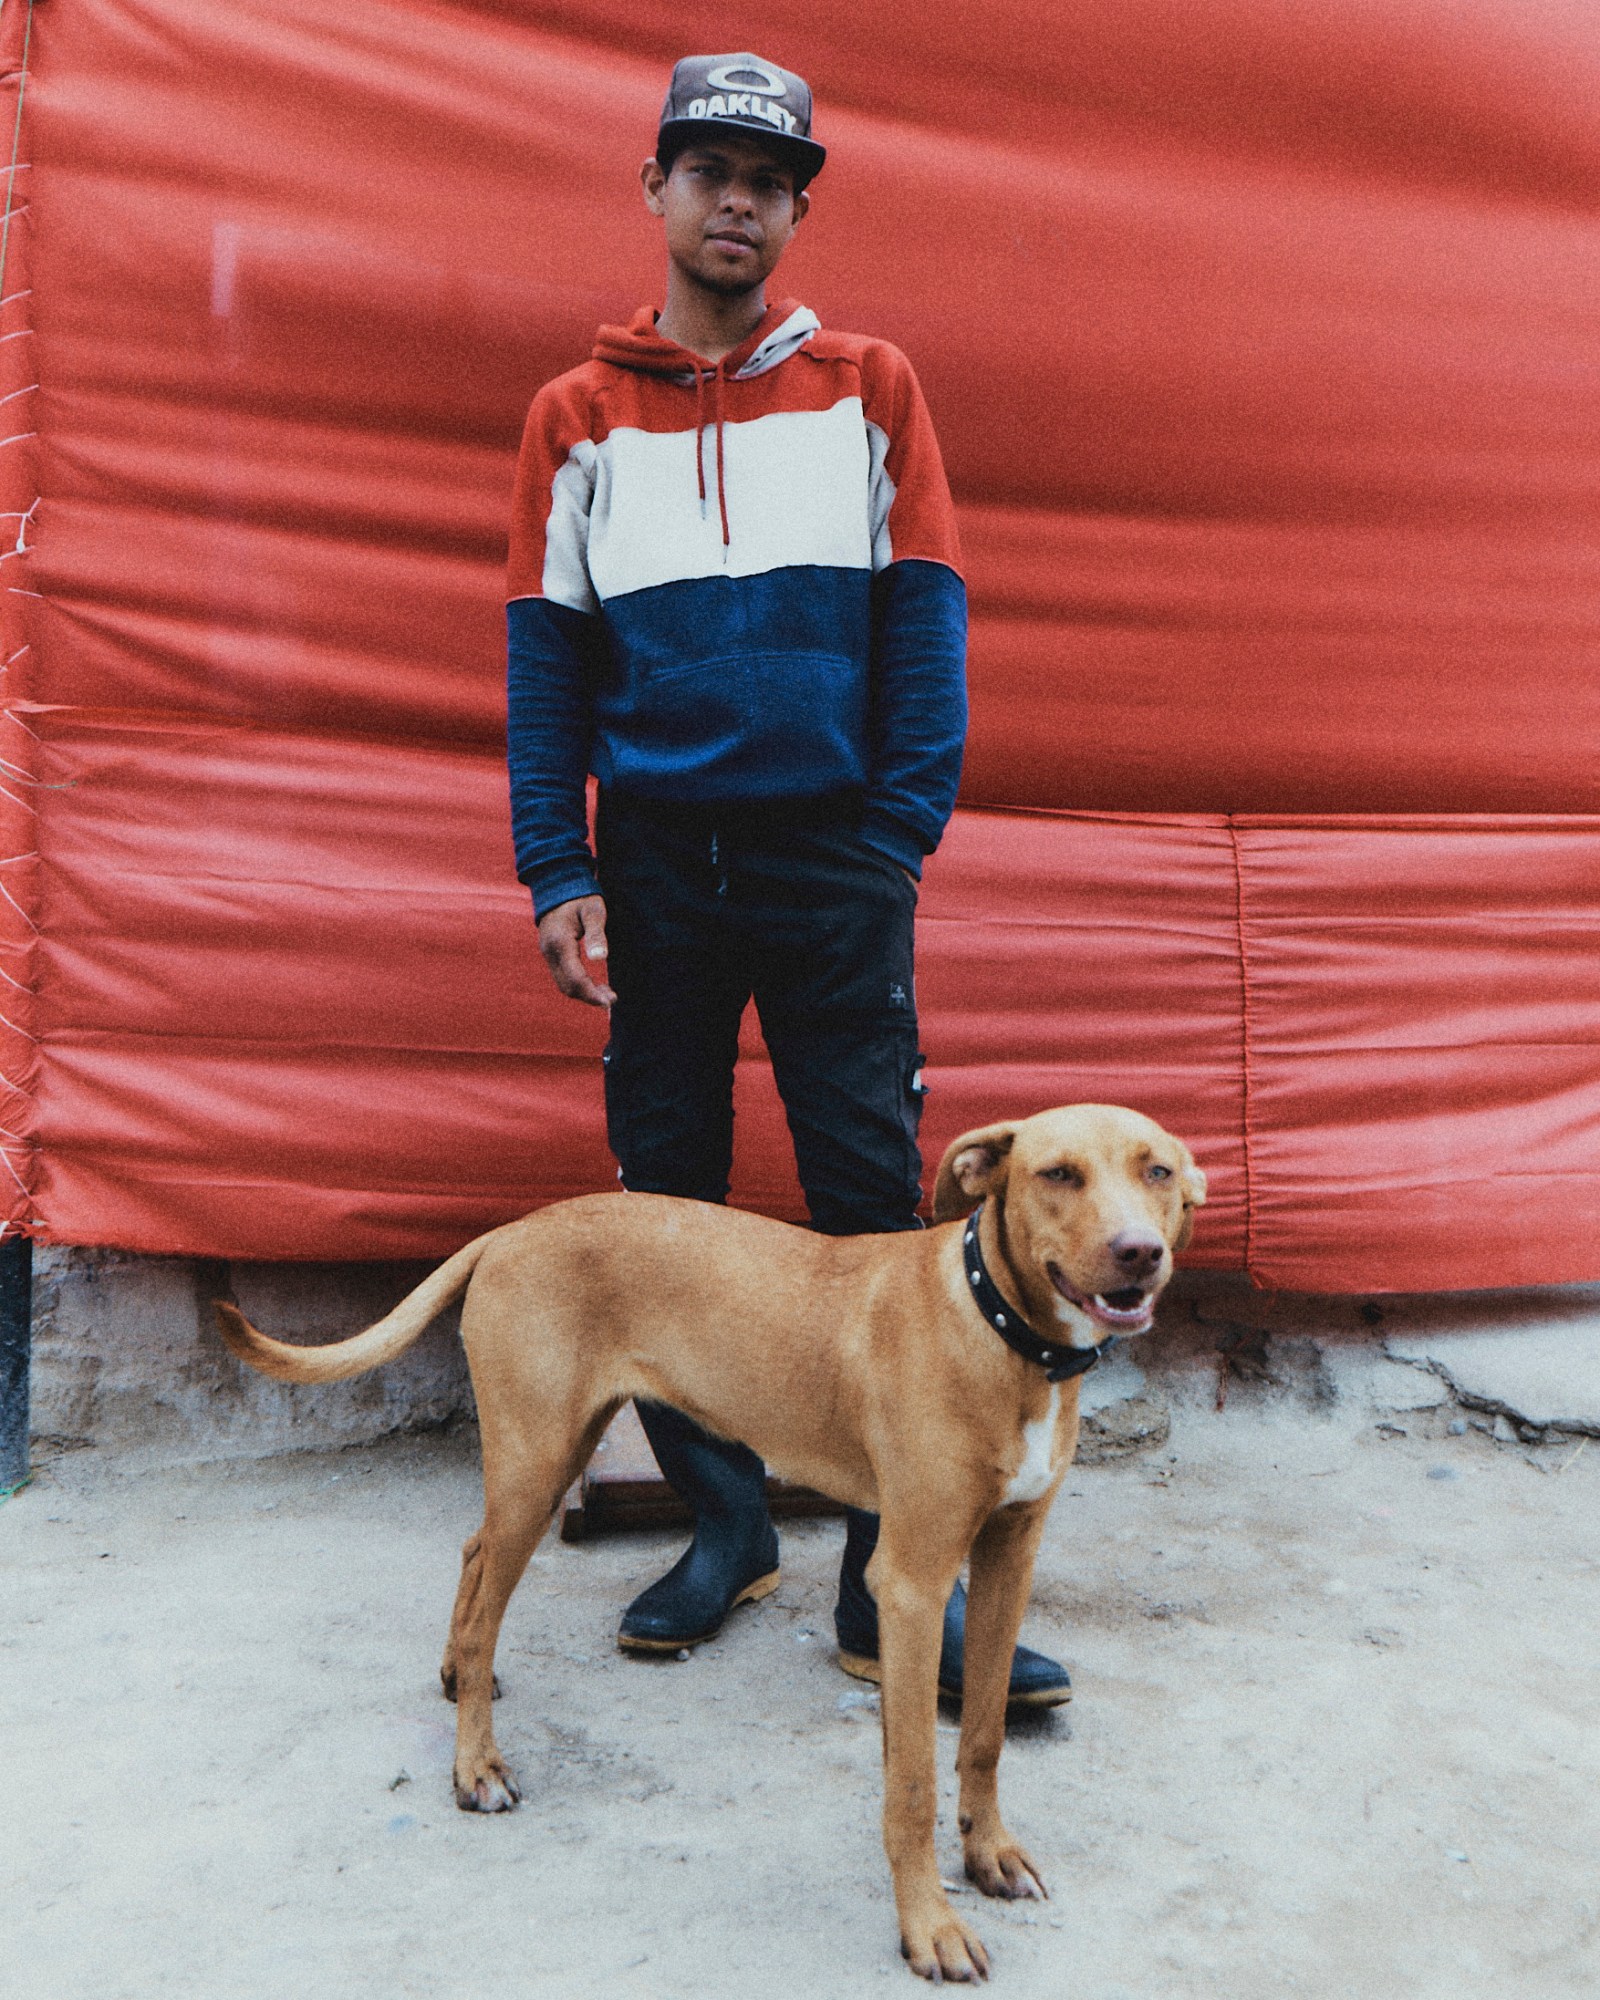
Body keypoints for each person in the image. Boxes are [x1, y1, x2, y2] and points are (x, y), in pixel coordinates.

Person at [505, 53, 1070, 1706]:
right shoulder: (575, 417)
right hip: (659, 869)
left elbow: (929, 624)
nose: (736, 199)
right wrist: (559, 861)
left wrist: (894, 834)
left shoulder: (874, 388)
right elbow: (548, 666)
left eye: (769, 177)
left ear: (797, 206)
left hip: (836, 860)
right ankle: (725, 1523)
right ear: (657, 189)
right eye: (708, 169)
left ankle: (881, 1578)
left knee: (879, 1211)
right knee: (665, 1204)